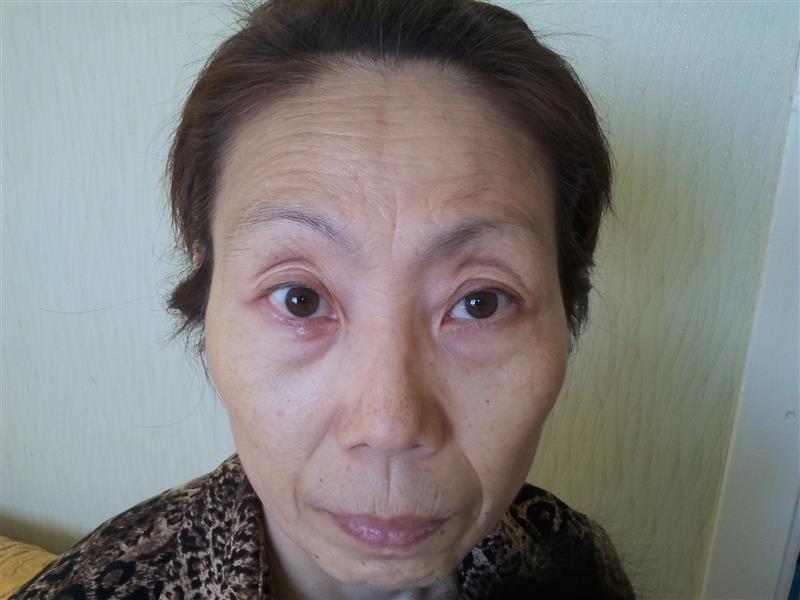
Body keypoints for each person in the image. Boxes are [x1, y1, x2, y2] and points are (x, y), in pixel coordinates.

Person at [13, 0, 635, 598]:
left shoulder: (571, 555)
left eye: (481, 303)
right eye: (301, 299)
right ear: (206, 303)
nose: (389, 427)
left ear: (567, 305)